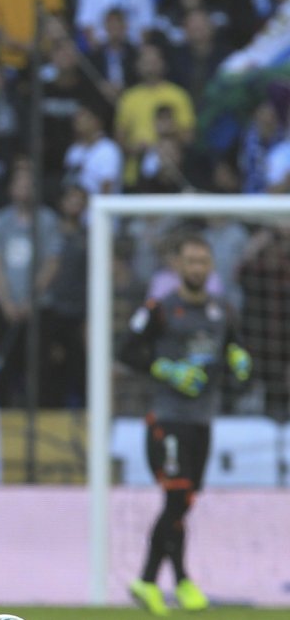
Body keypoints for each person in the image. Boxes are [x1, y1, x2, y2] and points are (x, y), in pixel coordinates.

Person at [120, 234, 251, 616]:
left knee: (183, 502)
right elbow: (127, 351)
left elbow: (233, 350)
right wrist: (165, 369)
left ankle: (168, 582)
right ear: (177, 265)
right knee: (177, 497)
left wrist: (240, 362)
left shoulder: (222, 311)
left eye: (203, 262)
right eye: (190, 261)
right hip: (166, 419)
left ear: (210, 267)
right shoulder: (159, 308)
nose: (197, 268)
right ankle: (157, 579)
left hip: (202, 421)